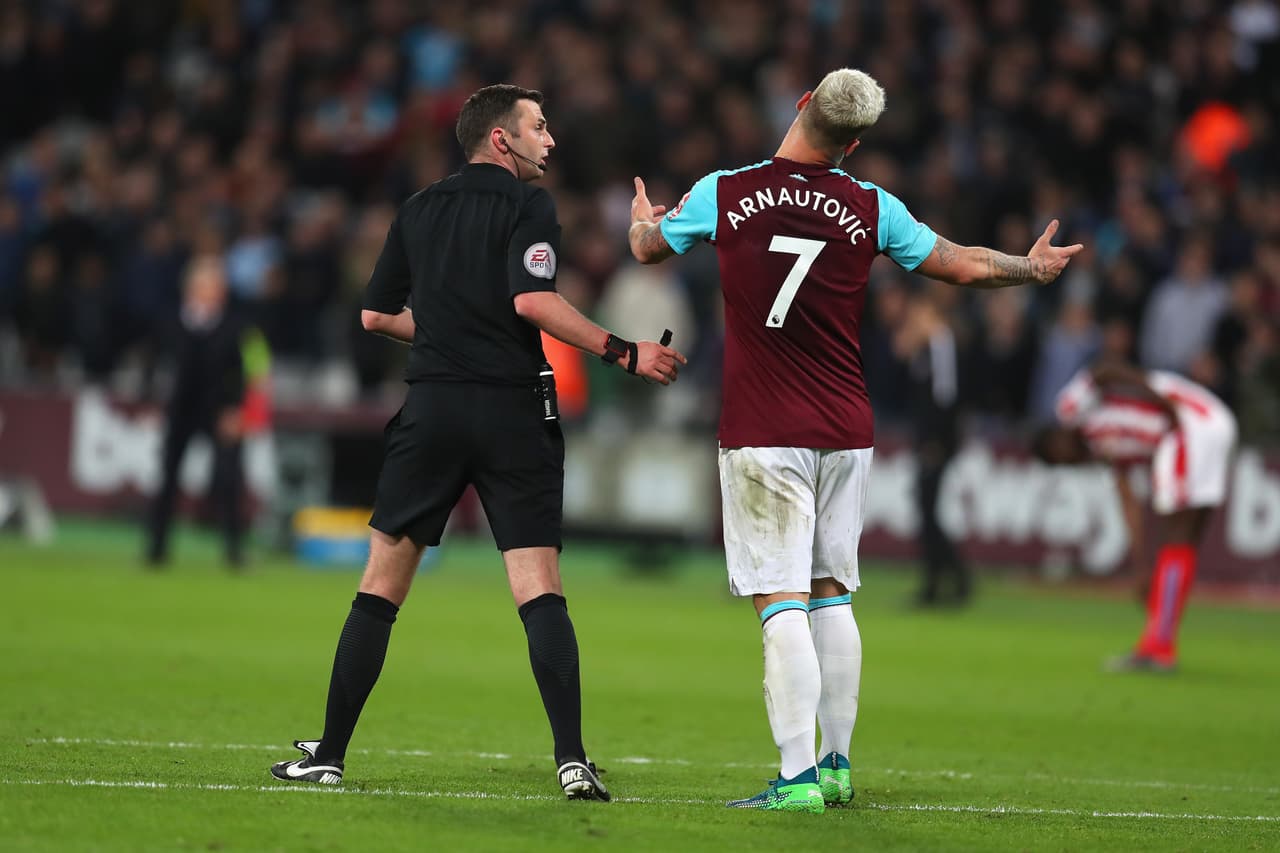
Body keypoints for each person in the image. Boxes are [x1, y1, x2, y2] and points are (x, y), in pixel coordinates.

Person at [628, 68, 1082, 812]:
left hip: (764, 427)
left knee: (782, 602)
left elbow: (649, 249)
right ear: (856, 140)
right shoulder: (871, 206)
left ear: (803, 104)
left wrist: (641, 220)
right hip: (847, 428)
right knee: (833, 593)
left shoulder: (726, 191)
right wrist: (1030, 268)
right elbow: (963, 264)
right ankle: (837, 766)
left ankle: (798, 776)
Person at [270, 84, 686, 800]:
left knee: (380, 587)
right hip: (514, 412)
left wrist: (441, 333)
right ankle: (572, 759)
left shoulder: (418, 208)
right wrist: (624, 351)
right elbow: (533, 301)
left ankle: (330, 753)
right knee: (539, 589)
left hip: (431, 408)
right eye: (539, 126)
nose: (550, 141)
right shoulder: (530, 206)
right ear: (501, 139)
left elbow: (374, 315)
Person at [1033, 363, 1237, 672]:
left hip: (1188, 423)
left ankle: (1158, 648)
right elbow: (1128, 498)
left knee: (1178, 534)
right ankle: (1158, 642)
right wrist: (1141, 566)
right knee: (1186, 538)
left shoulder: (1070, 411)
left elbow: (1103, 369)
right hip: (1206, 423)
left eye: (1060, 456)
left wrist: (1158, 397)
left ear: (1056, 441)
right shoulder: (1102, 448)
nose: (1068, 461)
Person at [145, 256, 247, 568]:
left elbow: (245, 371)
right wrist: (151, 402)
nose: (218, 292)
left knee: (230, 479)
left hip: (221, 410)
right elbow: (154, 364)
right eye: (211, 286)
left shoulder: (236, 325)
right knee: (167, 478)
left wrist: (237, 411)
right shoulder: (170, 321)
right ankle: (157, 549)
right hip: (180, 410)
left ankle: (233, 551)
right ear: (193, 289)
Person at [893, 288, 971, 607]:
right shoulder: (928, 348)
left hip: (936, 442)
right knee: (927, 510)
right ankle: (948, 579)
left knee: (928, 510)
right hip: (928, 440)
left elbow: (945, 395)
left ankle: (943, 582)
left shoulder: (941, 343)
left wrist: (936, 442)